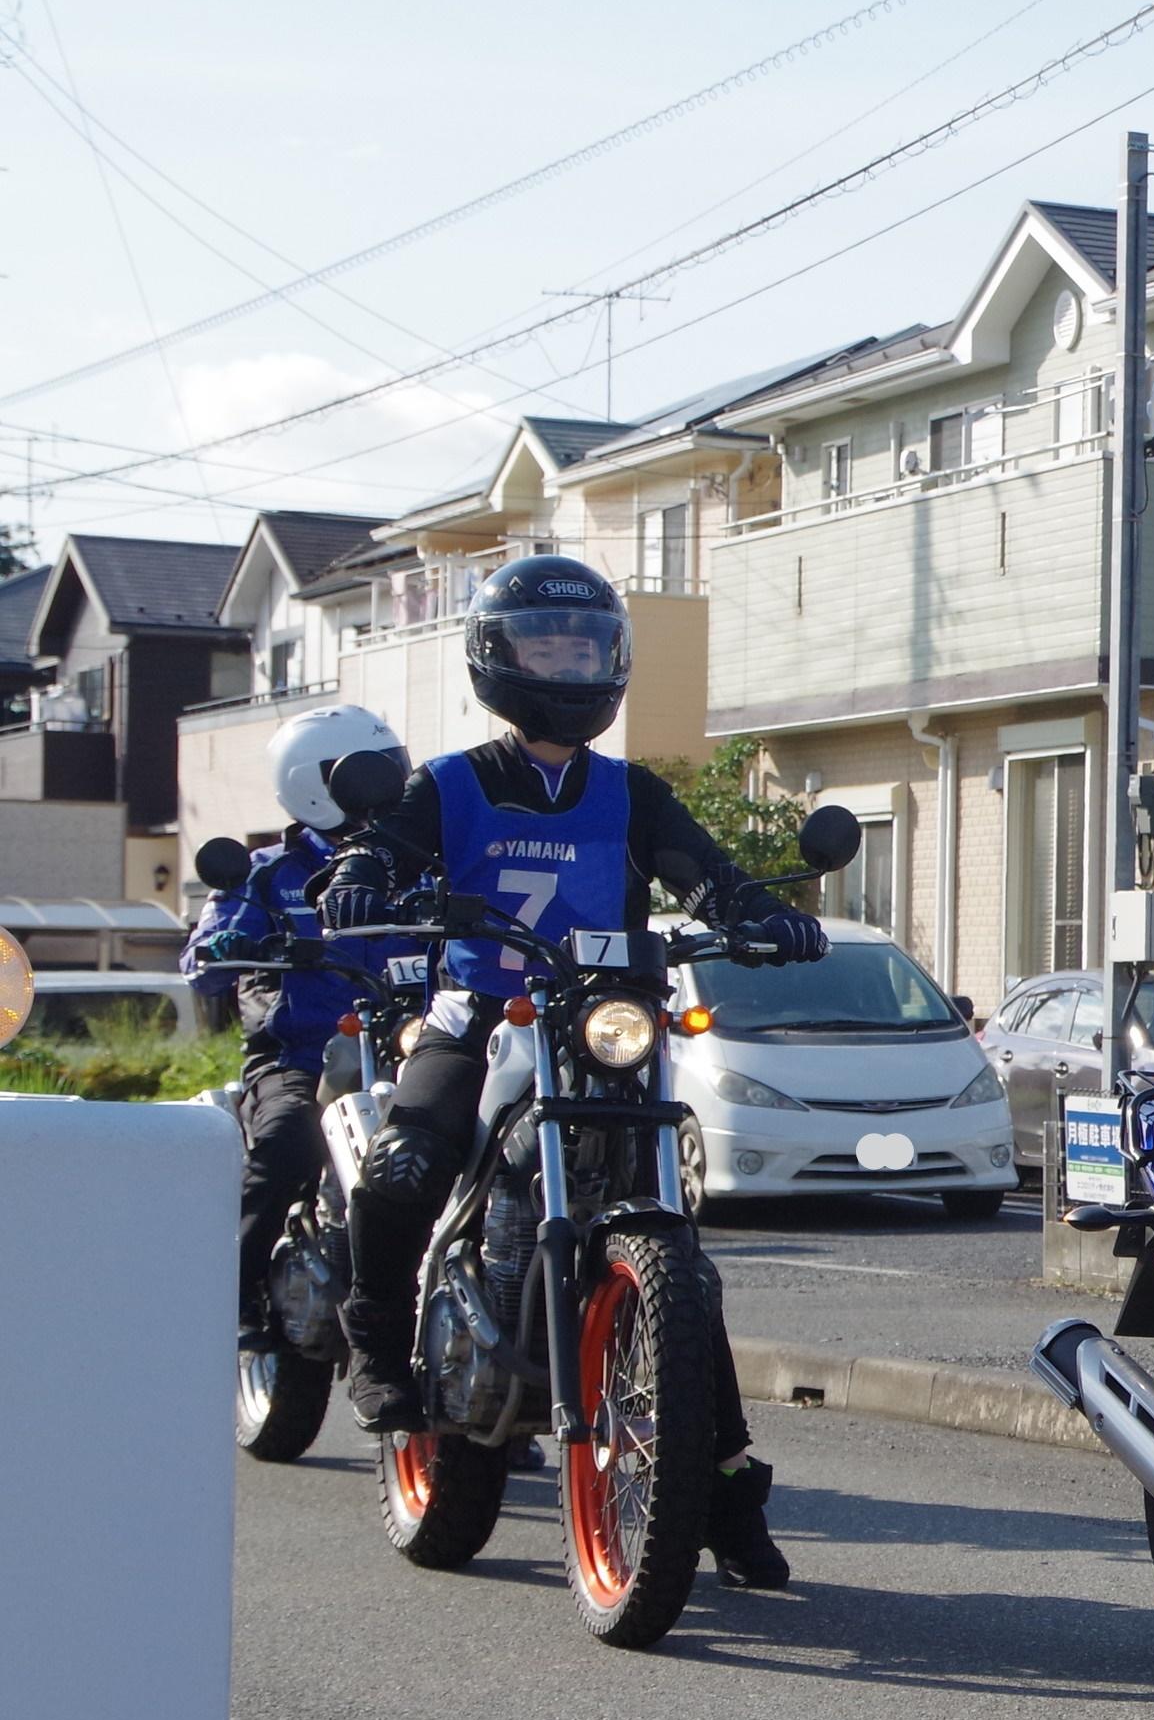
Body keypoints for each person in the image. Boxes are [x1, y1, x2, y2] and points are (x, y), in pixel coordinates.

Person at [321, 553, 827, 1589]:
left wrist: (768, 916)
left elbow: (710, 878)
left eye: (583, 646)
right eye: (544, 646)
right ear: (497, 661)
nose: (565, 663)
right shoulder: (450, 784)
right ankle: (376, 1347)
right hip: (479, 1017)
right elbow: (381, 851)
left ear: (614, 662)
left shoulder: (632, 794)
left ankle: (720, 1487)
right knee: (405, 1164)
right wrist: (364, 873)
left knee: (677, 1258)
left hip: (604, 1026)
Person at [187, 703, 404, 1352]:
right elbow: (202, 963)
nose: (392, 781)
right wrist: (227, 946)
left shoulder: (411, 860)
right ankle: (238, 1296)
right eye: (375, 769)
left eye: (393, 765)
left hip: (401, 1046)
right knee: (284, 1142)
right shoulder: (266, 872)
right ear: (319, 782)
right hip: (301, 1057)